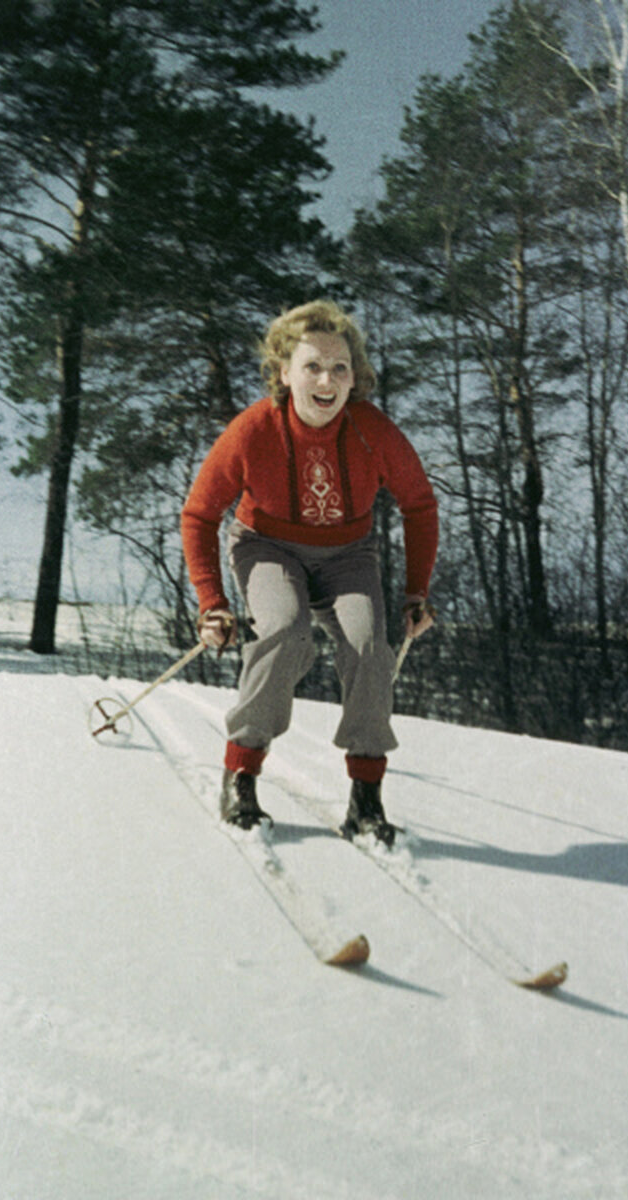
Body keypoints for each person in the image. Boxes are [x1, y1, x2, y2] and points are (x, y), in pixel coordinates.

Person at [181, 299, 438, 845]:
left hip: (348, 554)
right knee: (284, 630)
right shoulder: (254, 430)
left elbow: (420, 504)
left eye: (340, 368)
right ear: (284, 373)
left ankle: (366, 798)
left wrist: (417, 591)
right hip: (268, 547)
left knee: (370, 645)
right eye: (312, 367)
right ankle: (242, 775)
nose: (326, 380)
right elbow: (199, 514)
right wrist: (212, 601)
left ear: (355, 377)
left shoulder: (372, 430)